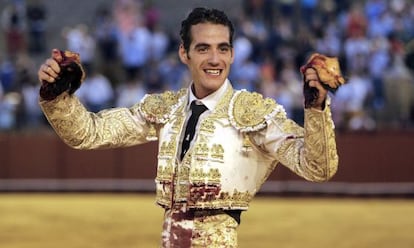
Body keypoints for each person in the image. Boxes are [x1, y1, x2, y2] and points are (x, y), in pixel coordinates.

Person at [37, 7, 338, 248]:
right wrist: (57, 95)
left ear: (232, 54)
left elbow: (317, 167)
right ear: (185, 53)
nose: (215, 59)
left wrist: (316, 108)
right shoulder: (164, 109)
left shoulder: (252, 113)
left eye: (223, 49)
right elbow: (88, 133)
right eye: (204, 48)